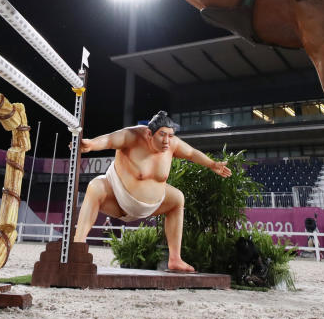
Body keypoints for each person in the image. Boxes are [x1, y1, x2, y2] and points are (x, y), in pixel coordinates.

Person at [73, 111, 231, 272]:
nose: (167, 141)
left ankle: (175, 259)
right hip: (118, 200)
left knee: (177, 198)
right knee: (95, 186)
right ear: (149, 133)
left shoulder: (171, 143)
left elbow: (191, 153)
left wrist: (212, 164)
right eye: (162, 135)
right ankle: (77, 247)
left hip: (152, 206)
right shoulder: (131, 136)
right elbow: (108, 140)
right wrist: (91, 144)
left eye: (170, 135)